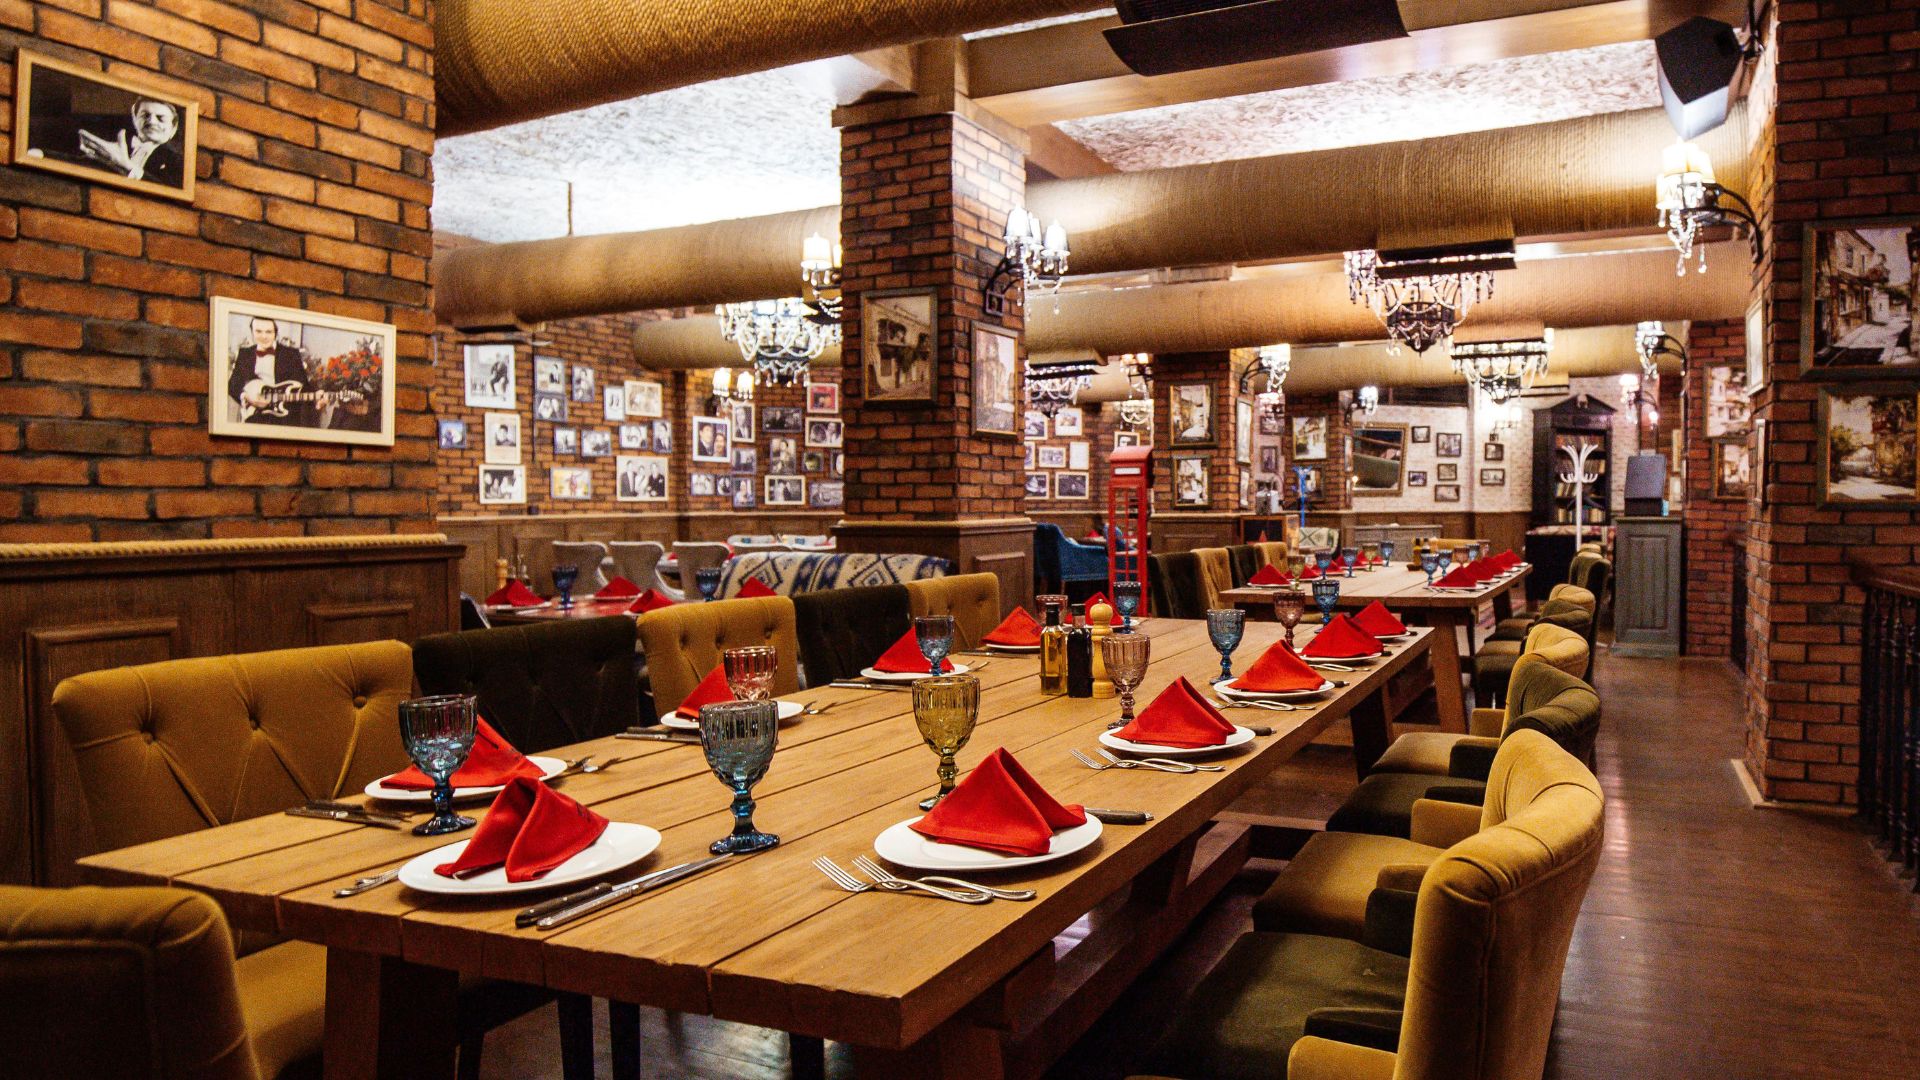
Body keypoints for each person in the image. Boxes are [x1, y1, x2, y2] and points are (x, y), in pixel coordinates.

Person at [76, 97, 184, 187]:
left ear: (173, 128)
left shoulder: (177, 163)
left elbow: (169, 196)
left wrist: (128, 167)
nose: (151, 121)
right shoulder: (111, 142)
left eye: (161, 118)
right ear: (135, 118)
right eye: (145, 115)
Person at [226, 316, 313, 427]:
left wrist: (318, 398)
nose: (264, 336)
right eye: (258, 331)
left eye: (268, 332)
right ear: (252, 332)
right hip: (254, 415)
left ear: (275, 333)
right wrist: (247, 397)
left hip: (285, 418)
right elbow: (233, 384)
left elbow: (304, 386)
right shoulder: (245, 354)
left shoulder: (291, 354)